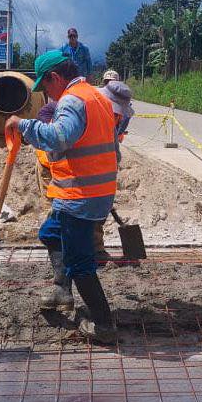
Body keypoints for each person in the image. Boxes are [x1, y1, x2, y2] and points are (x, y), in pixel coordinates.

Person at [5, 50, 117, 343]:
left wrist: (23, 125)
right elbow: (113, 148)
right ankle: (61, 289)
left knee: (80, 262)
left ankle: (104, 324)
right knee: (51, 233)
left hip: (79, 195)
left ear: (56, 77)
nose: (46, 94)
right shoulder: (98, 97)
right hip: (94, 191)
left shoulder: (72, 100)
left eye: (45, 86)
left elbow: (60, 137)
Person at [92, 80, 136, 264]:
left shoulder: (108, 120)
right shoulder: (86, 112)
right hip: (72, 175)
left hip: (98, 175)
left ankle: (96, 250)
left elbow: (114, 152)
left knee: (96, 214)